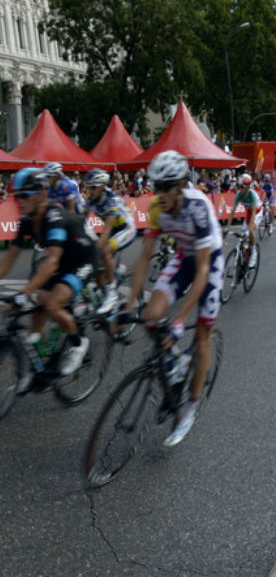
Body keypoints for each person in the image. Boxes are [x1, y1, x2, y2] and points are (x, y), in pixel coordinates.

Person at [120, 151, 221, 447]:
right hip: (183, 257)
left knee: (202, 335)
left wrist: (180, 320)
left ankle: (191, 406)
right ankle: (176, 361)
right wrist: (128, 305)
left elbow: (203, 271)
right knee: (151, 316)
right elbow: (144, 258)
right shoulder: (157, 208)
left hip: (208, 262)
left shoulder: (197, 207)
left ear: (180, 185)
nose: (159, 193)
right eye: (156, 186)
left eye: (166, 187)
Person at [0, 168, 96, 380]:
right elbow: (10, 258)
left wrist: (24, 293)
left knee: (52, 304)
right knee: (38, 302)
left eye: (24, 196)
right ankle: (39, 358)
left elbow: (51, 261)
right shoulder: (27, 220)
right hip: (62, 259)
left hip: (83, 258)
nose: (19, 201)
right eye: (16, 196)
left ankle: (79, 343)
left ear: (40, 194)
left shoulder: (53, 216)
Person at [84, 169, 136, 314]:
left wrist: (94, 251)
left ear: (102, 186)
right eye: (88, 187)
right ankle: (107, 305)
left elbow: (106, 230)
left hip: (126, 229)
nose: (90, 191)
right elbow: (78, 221)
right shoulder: (90, 200)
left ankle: (112, 294)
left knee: (104, 251)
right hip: (114, 232)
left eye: (93, 187)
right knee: (98, 274)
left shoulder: (112, 200)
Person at [234, 173, 262, 249]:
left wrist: (250, 227)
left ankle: (253, 250)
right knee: (242, 235)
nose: (240, 188)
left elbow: (253, 213)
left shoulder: (253, 195)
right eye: (239, 186)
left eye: (242, 187)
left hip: (257, 212)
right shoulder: (239, 193)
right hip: (250, 211)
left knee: (250, 230)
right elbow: (233, 210)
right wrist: (228, 228)